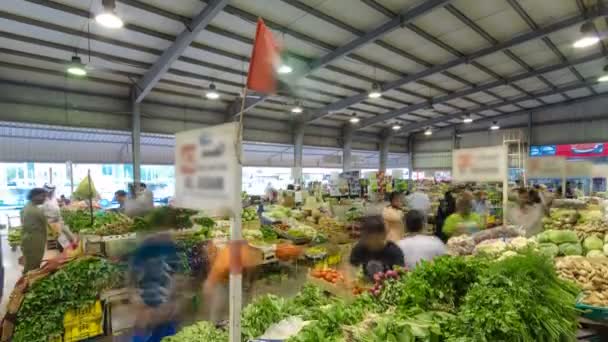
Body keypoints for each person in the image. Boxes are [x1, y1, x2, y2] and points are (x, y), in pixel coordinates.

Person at [130, 233, 180, 342]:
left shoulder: (169, 249)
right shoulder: (145, 250)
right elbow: (133, 278)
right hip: (149, 310)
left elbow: (174, 276)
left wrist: (170, 300)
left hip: (164, 311)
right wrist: (137, 299)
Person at [349, 215, 404, 281]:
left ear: (382, 235)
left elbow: (400, 277)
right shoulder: (359, 249)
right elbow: (351, 269)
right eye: (365, 236)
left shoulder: (394, 252)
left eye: (370, 237)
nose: (365, 239)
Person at [21, 188, 48, 273]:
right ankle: (28, 283)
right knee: (33, 266)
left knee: (30, 263)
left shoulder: (28, 206)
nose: (44, 198)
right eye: (43, 196)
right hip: (34, 241)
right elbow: (43, 223)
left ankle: (26, 280)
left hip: (29, 238)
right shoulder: (34, 210)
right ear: (34, 196)